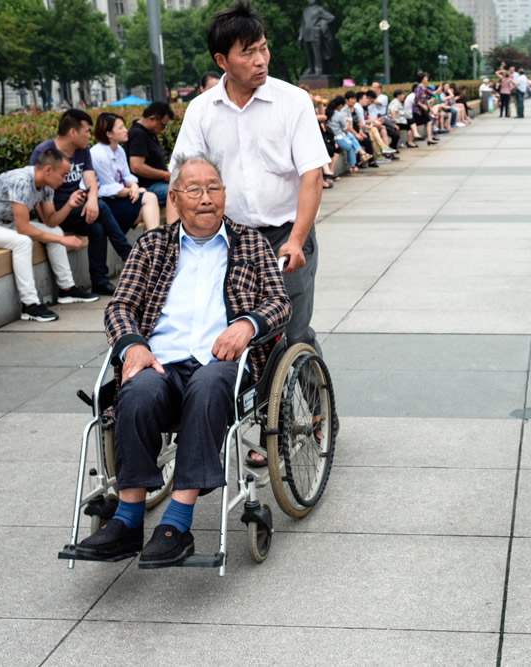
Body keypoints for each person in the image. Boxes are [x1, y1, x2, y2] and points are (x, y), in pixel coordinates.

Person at [73, 156, 292, 566]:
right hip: (163, 362)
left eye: (214, 188)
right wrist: (134, 345)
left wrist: (247, 324)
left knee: (208, 388)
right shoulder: (152, 246)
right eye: (194, 189)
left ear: (225, 195)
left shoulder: (252, 243)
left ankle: (176, 523)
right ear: (174, 197)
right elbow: (120, 307)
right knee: (134, 391)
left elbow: (280, 302)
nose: (206, 198)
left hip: (224, 363)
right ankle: (127, 520)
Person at [170, 2, 333, 464]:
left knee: (291, 332)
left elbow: (311, 176)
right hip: (231, 241)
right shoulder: (201, 111)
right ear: (222, 61)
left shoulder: (292, 100)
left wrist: (297, 238)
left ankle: (318, 411)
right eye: (248, 52)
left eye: (263, 49)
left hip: (286, 233)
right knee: (246, 334)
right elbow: (183, 178)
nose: (261, 60)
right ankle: (267, 424)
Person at [0, 149, 98, 322]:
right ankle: (30, 305)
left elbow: (50, 221)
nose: (64, 180)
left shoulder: (47, 185)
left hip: (5, 224)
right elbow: (23, 229)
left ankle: (67, 290)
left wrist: (69, 205)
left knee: (55, 231)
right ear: (48, 170)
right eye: (63, 175)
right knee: (23, 242)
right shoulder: (20, 181)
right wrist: (62, 240)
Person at [30, 109, 133, 296]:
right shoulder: (44, 151)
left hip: (77, 207)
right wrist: (49, 217)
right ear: (72, 132)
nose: (89, 135)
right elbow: (35, 188)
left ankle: (99, 282)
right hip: (54, 210)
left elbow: (91, 182)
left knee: (98, 227)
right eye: (86, 131)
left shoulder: (83, 150)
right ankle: (132, 258)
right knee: (101, 207)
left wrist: (92, 200)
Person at [90, 113, 160, 234]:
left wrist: (133, 186)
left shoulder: (119, 149)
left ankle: (151, 245)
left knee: (146, 202)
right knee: (150, 198)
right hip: (106, 204)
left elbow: (126, 175)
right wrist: (132, 191)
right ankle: (153, 245)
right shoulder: (98, 154)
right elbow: (111, 189)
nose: (126, 130)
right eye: (121, 127)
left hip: (119, 199)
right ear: (109, 134)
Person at [126, 101, 175, 208]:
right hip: (148, 186)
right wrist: (164, 175)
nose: (163, 130)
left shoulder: (149, 133)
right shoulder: (138, 134)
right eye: (163, 126)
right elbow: (136, 166)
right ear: (152, 118)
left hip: (158, 184)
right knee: (180, 193)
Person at [325, 96, 370, 172]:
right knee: (351, 145)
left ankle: (360, 156)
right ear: (340, 105)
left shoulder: (328, 111)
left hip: (331, 136)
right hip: (338, 138)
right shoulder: (339, 115)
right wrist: (347, 122)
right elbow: (345, 129)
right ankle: (354, 164)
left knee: (350, 137)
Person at [413, 71, 437, 143]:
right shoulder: (419, 88)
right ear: (422, 79)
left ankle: (429, 138)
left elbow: (431, 93)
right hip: (418, 110)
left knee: (428, 122)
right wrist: (423, 105)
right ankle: (429, 139)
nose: (427, 79)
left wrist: (438, 91)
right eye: (426, 77)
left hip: (422, 109)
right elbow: (416, 99)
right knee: (427, 122)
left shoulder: (423, 87)